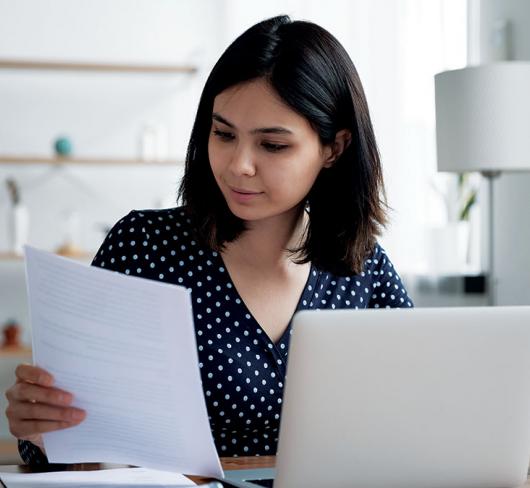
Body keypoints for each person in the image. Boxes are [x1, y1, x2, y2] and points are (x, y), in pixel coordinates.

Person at [6, 15, 413, 464]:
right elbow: (66, 449)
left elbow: (418, 416)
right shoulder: (145, 249)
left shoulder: (362, 269)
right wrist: (42, 430)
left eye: (272, 145)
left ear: (334, 148)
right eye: (223, 134)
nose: (239, 164)